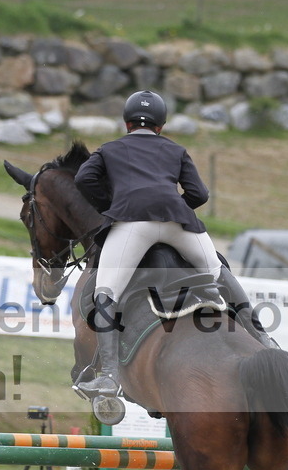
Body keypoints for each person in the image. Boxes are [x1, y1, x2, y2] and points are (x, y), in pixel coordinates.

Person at [74, 90, 273, 397]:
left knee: (106, 292)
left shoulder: (109, 149)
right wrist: (175, 204)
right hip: (179, 222)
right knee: (219, 272)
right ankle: (264, 339)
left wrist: (111, 206)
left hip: (132, 225)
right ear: (160, 126)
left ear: (127, 123)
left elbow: (84, 179)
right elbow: (200, 194)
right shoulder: (176, 149)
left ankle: (111, 376)